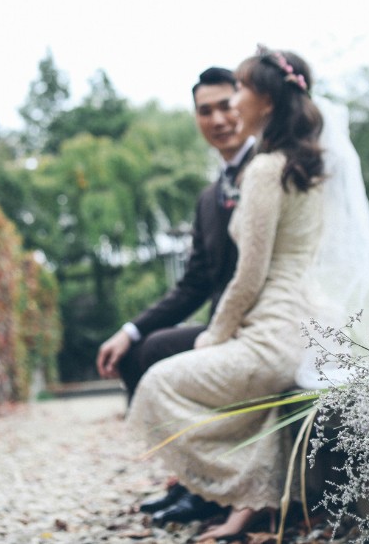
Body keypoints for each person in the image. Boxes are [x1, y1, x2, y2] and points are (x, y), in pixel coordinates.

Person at [129, 47, 326, 541]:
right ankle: (248, 503)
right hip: (296, 328)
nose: (231, 103)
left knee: (158, 383)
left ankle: (211, 486)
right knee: (248, 397)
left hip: (271, 336)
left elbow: (250, 275)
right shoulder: (305, 165)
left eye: (239, 89)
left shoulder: (264, 170)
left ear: (263, 99)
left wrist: (214, 336)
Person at [95, 66, 255, 523]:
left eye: (226, 105)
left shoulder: (268, 169)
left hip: (260, 323)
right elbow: (194, 284)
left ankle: (207, 490)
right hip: (222, 323)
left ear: (243, 105)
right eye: (206, 111)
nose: (219, 119)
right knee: (133, 351)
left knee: (161, 352)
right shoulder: (208, 198)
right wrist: (128, 330)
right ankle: (190, 476)